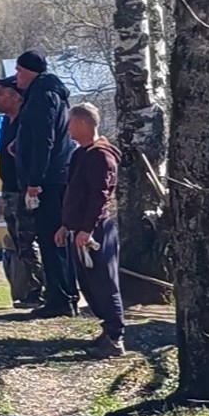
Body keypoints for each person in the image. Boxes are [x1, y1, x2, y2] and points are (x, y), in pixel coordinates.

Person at [10, 50, 76, 317]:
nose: (17, 76)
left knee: (51, 239)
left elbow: (44, 139)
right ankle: (65, 295)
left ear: (31, 71)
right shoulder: (51, 93)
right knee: (55, 238)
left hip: (49, 180)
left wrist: (34, 180)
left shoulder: (41, 95)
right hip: (56, 175)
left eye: (19, 71)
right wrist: (20, 144)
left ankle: (60, 298)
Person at [56, 100, 124, 358]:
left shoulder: (100, 156)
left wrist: (87, 229)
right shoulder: (80, 154)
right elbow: (75, 194)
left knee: (104, 283)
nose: (68, 128)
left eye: (71, 123)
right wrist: (66, 225)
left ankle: (115, 337)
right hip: (79, 230)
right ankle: (107, 331)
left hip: (97, 231)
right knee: (89, 284)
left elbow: (99, 196)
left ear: (83, 123)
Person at [0, 76, 39, 305]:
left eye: (1, 93)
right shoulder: (6, 122)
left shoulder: (25, 122)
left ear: (16, 97)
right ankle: (29, 289)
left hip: (24, 189)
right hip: (9, 189)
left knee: (28, 240)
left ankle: (38, 290)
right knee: (18, 242)